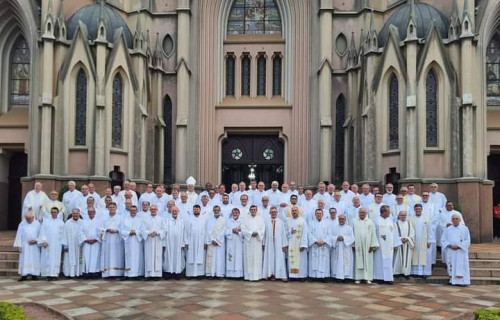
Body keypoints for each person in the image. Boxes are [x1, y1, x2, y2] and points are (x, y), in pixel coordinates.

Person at [373, 205, 401, 284]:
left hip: (389, 245)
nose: (389, 213)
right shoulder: (375, 220)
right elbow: (373, 233)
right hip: (379, 245)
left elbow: (395, 232)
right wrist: (374, 243)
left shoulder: (391, 220)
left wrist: (396, 244)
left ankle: (389, 278)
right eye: (388, 211)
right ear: (383, 212)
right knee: (379, 261)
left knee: (389, 261)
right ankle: (379, 278)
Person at [441, 214, 470, 286]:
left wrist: (459, 246)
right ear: (451, 220)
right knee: (451, 265)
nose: (455, 220)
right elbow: (443, 240)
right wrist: (450, 246)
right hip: (451, 251)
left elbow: (468, 240)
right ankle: (452, 280)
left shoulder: (465, 229)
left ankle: (463, 281)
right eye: (453, 219)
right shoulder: (448, 229)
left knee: (462, 266)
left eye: (456, 219)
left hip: (461, 251)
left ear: (460, 220)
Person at [352, 207, 379, 284]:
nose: (362, 214)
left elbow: (373, 233)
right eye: (361, 212)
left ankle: (368, 278)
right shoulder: (354, 221)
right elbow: (352, 233)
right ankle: (358, 278)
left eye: (364, 213)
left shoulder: (370, 222)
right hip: (358, 245)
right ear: (358, 213)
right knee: (358, 261)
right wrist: (353, 244)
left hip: (368, 245)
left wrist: (373, 245)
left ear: (366, 213)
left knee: (368, 261)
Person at [262, 207, 288, 281]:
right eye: (272, 212)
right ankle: (270, 274)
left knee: (279, 258)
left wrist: (284, 245)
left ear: (277, 213)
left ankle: (280, 275)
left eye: (275, 212)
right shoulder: (266, 222)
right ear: (269, 213)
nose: (273, 213)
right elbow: (264, 233)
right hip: (269, 243)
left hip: (278, 243)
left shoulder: (281, 222)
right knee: (269, 258)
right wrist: (263, 243)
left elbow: (283, 234)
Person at [38, 207, 65, 280]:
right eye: (52, 212)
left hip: (57, 245)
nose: (54, 213)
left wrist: (63, 244)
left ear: (58, 213)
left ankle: (55, 275)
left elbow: (63, 234)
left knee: (56, 259)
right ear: (50, 213)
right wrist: (44, 242)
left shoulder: (61, 222)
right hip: (48, 244)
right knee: (47, 259)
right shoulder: (46, 222)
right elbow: (42, 232)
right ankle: (48, 275)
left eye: (55, 212)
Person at [14, 210, 41, 281]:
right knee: (24, 260)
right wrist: (19, 246)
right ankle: (24, 275)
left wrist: (36, 241)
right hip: (25, 245)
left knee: (34, 260)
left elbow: (41, 234)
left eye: (29, 219)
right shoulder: (22, 224)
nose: (28, 220)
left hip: (34, 246)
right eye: (26, 218)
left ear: (33, 217)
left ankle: (34, 275)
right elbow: (18, 235)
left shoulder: (37, 224)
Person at [241, 205, 266, 281]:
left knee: (257, 258)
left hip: (257, 241)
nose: (253, 211)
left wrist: (257, 233)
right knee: (248, 258)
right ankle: (248, 276)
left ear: (257, 210)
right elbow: (243, 228)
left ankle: (257, 276)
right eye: (251, 209)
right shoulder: (245, 218)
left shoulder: (260, 219)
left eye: (254, 209)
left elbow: (263, 228)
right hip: (249, 241)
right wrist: (251, 233)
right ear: (249, 210)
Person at [100, 203, 124, 278]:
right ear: (108, 208)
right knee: (108, 255)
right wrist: (106, 230)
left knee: (117, 255)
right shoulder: (104, 218)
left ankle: (117, 273)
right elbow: (100, 229)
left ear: (116, 208)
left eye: (113, 207)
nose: (112, 208)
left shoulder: (121, 218)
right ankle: (107, 273)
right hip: (107, 239)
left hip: (117, 239)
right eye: (110, 207)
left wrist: (117, 231)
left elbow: (123, 229)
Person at [410, 204, 435, 278]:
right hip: (414, 241)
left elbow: (430, 230)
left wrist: (429, 240)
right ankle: (414, 272)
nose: (418, 210)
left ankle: (425, 272)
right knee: (414, 256)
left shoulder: (426, 219)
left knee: (425, 256)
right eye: (416, 209)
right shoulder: (410, 219)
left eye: (419, 209)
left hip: (424, 242)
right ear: (414, 210)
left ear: (422, 209)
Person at [121, 206, 145, 279]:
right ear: (129, 211)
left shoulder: (140, 220)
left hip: (137, 241)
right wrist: (128, 232)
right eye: (131, 210)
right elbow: (121, 230)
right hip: (128, 241)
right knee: (128, 257)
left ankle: (137, 274)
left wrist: (136, 232)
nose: (133, 212)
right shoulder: (125, 220)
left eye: (134, 210)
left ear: (137, 211)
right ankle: (128, 274)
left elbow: (143, 230)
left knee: (137, 257)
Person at [308, 209, 332, 281]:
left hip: (323, 246)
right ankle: (313, 276)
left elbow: (329, 234)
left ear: (322, 214)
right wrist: (315, 241)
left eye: (320, 213)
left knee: (323, 260)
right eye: (317, 213)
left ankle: (324, 277)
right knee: (314, 260)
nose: (318, 215)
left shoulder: (327, 223)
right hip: (314, 245)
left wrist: (324, 241)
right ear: (315, 215)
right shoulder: (311, 223)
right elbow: (309, 234)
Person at [141, 205, 165, 279]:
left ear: (157, 210)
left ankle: (157, 275)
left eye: (154, 209)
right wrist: (149, 233)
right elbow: (142, 229)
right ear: (149, 210)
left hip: (157, 240)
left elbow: (164, 229)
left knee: (157, 256)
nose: (153, 210)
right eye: (152, 209)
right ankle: (149, 274)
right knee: (149, 256)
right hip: (149, 240)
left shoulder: (161, 219)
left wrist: (157, 233)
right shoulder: (145, 219)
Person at [163, 206, 186, 279]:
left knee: (178, 257)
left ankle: (177, 273)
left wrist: (183, 243)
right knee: (168, 257)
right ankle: (168, 272)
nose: (174, 212)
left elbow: (184, 232)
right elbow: (164, 231)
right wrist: (164, 243)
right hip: (169, 243)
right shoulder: (167, 220)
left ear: (178, 211)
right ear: (171, 212)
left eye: (176, 211)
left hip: (178, 243)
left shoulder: (181, 221)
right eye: (173, 211)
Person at [286, 206, 308, 281]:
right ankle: (292, 276)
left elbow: (305, 233)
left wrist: (303, 244)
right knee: (292, 259)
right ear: (291, 212)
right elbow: (285, 233)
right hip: (291, 243)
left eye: (296, 210)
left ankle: (301, 276)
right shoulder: (288, 221)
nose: (294, 212)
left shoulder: (303, 221)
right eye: (293, 210)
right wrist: (290, 232)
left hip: (300, 244)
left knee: (301, 261)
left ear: (298, 212)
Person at [79, 207, 101, 279]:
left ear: (95, 212)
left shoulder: (99, 221)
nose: (91, 213)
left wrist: (96, 239)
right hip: (86, 242)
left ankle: (95, 273)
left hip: (96, 242)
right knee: (86, 257)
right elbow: (80, 232)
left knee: (95, 257)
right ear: (87, 213)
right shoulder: (83, 221)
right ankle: (87, 273)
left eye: (92, 212)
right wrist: (85, 240)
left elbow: (102, 231)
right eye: (89, 212)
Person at [185, 205, 207, 278]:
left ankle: (200, 274)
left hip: (201, 241)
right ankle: (190, 274)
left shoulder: (203, 219)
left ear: (200, 210)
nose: (196, 210)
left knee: (200, 256)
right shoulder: (189, 219)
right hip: (191, 241)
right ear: (193, 210)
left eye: (197, 209)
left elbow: (206, 231)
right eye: (195, 209)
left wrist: (205, 242)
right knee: (190, 256)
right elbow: (186, 231)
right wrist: (186, 242)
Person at [331, 214, 354, 281]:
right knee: (336, 262)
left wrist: (344, 238)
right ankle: (337, 277)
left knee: (346, 262)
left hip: (345, 248)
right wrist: (336, 238)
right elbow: (331, 237)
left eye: (342, 219)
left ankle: (346, 277)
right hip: (337, 248)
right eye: (340, 219)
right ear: (338, 220)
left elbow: (352, 238)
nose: (341, 220)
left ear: (345, 220)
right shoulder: (334, 228)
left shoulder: (349, 228)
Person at [205, 206, 226, 278]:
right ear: (213, 211)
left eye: (218, 210)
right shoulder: (209, 219)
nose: (216, 211)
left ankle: (219, 273)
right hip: (211, 242)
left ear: (220, 211)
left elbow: (223, 231)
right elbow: (207, 230)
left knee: (219, 258)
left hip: (219, 243)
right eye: (215, 210)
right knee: (211, 258)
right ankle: (211, 273)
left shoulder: (223, 220)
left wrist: (217, 240)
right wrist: (212, 239)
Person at [393, 211, 415, 278]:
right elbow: (394, 234)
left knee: (407, 259)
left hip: (407, 244)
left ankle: (406, 273)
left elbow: (412, 233)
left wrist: (408, 239)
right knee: (398, 258)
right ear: (399, 216)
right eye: (402, 215)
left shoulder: (409, 223)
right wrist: (400, 239)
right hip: (399, 244)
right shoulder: (395, 224)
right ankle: (397, 272)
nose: (403, 216)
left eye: (404, 215)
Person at [62, 209, 83, 278]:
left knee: (78, 258)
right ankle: (69, 273)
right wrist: (65, 245)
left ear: (79, 214)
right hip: (70, 244)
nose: (75, 215)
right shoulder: (67, 223)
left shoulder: (82, 222)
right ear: (72, 214)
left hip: (79, 244)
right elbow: (64, 234)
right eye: (74, 213)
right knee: (69, 259)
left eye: (77, 213)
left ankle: (79, 273)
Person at [225, 208, 244, 278]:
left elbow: (245, 231)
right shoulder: (228, 221)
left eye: (236, 212)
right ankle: (230, 274)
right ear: (232, 213)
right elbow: (225, 230)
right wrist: (231, 230)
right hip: (231, 241)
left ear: (239, 213)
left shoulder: (242, 221)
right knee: (230, 256)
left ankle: (238, 274)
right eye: (234, 212)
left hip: (239, 241)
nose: (235, 214)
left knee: (238, 257)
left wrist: (238, 232)